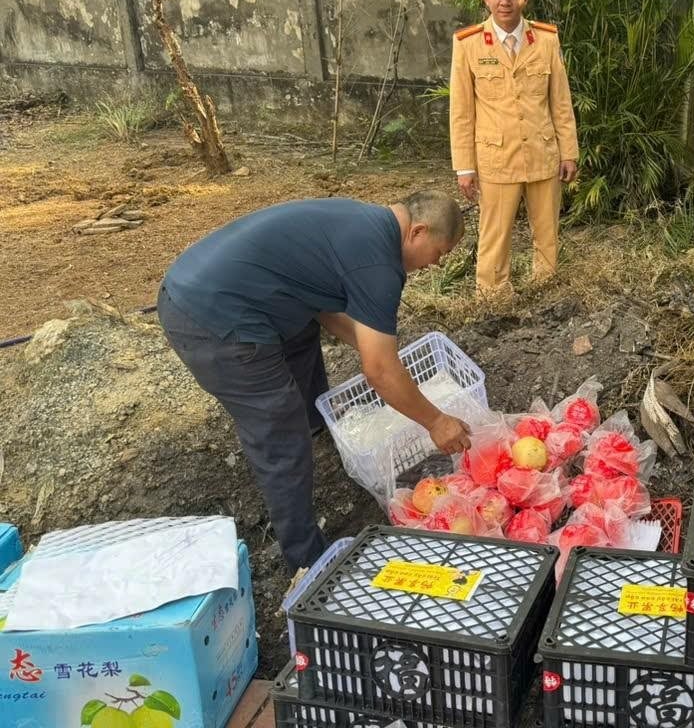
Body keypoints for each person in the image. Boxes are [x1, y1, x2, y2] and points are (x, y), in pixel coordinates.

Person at [156, 191, 472, 571]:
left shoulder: (364, 221)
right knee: (280, 430)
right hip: (214, 318)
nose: (436, 265)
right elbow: (379, 372)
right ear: (418, 232)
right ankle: (307, 561)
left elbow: (325, 307)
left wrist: (379, 351)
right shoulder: (379, 265)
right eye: (439, 253)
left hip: (202, 280)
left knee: (302, 332)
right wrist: (436, 421)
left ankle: (317, 431)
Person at [449, 0, 579, 298]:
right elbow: (461, 112)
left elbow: (560, 103)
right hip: (496, 159)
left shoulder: (547, 40)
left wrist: (569, 152)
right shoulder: (468, 45)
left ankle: (545, 291)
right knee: (495, 233)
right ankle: (493, 295)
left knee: (547, 231)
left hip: (542, 154)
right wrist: (464, 167)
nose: (505, 1)